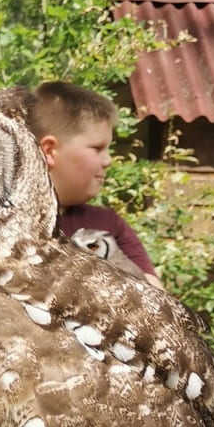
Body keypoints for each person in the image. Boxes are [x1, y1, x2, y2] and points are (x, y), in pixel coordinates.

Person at [27, 80, 162, 289]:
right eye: (97, 148)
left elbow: (156, 297)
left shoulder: (108, 224)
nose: (108, 160)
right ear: (50, 151)